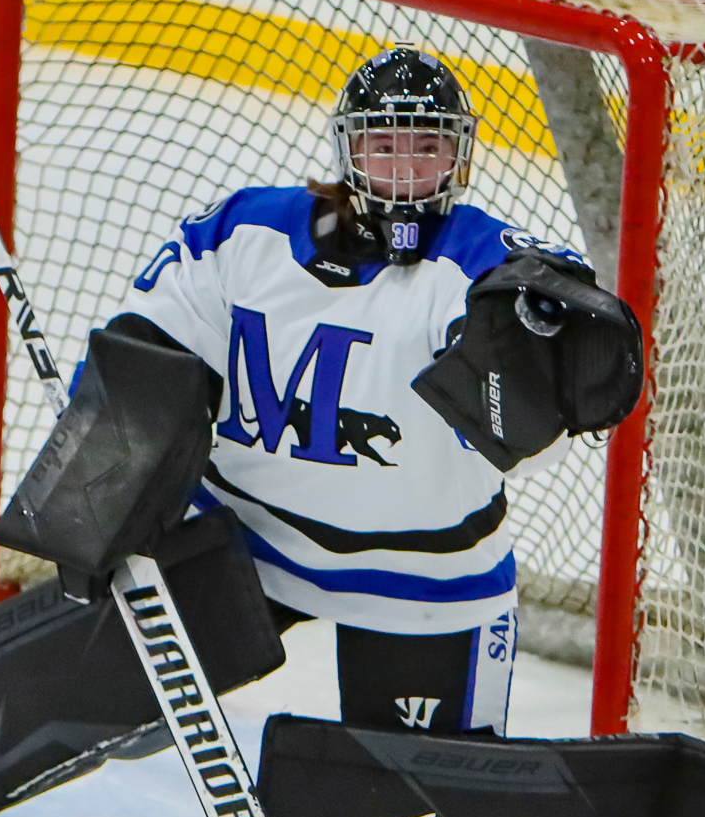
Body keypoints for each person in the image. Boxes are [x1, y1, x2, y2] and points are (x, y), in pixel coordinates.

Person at [92, 45, 620, 736]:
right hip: (240, 536)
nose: (404, 171)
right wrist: (103, 475)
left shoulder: (482, 264)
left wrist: (539, 354)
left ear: (459, 159)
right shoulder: (248, 232)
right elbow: (145, 348)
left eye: (426, 148)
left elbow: (531, 426)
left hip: (425, 580)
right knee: (81, 709)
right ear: (347, 151)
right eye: (384, 146)